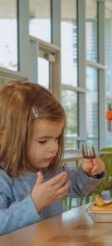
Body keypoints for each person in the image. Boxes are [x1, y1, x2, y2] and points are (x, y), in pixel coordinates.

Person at [0, 82, 105, 236]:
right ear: (5, 138)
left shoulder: (51, 171)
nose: (54, 148)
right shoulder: (4, 178)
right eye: (43, 141)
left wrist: (89, 173)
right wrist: (34, 203)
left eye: (57, 139)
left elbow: (78, 187)